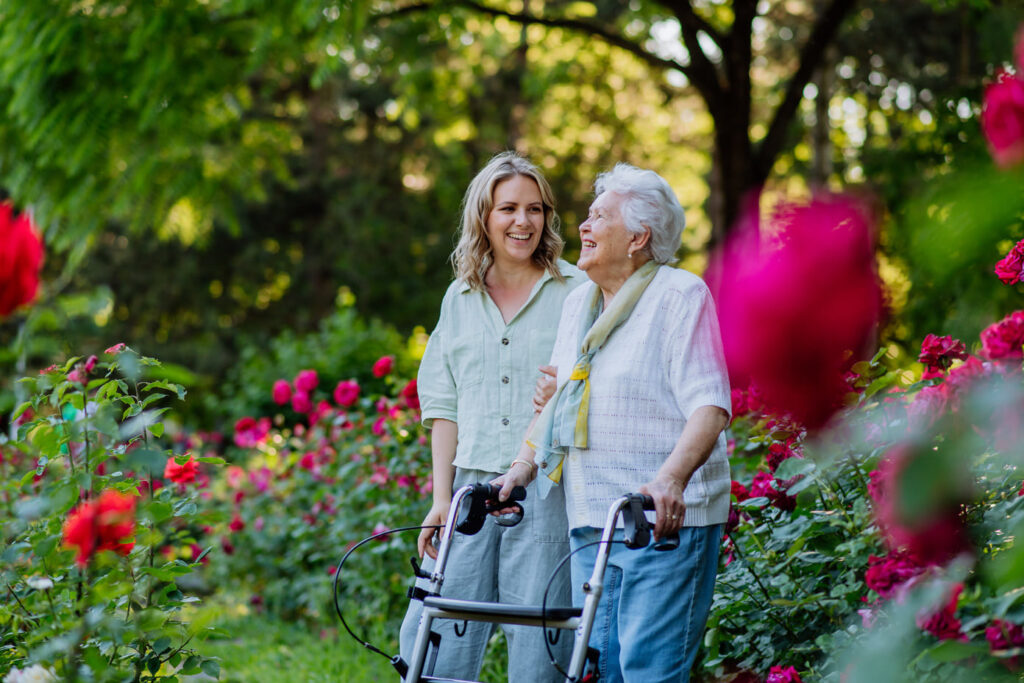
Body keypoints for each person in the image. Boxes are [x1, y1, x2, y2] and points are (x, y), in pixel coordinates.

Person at [495, 163, 732, 682]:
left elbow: (710, 404)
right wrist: (520, 468)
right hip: (592, 522)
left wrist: (670, 478)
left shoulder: (678, 296)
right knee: (597, 672)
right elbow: (558, 402)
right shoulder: (581, 301)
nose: (583, 226)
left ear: (639, 237)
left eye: (599, 216)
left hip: (660, 523)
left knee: (648, 672)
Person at [399, 151, 587, 682]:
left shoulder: (577, 293)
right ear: (484, 216)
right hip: (470, 491)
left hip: (546, 490)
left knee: (541, 644)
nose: (522, 222)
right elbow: (443, 406)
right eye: (508, 208)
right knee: (436, 640)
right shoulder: (459, 298)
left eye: (535, 209)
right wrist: (441, 498)